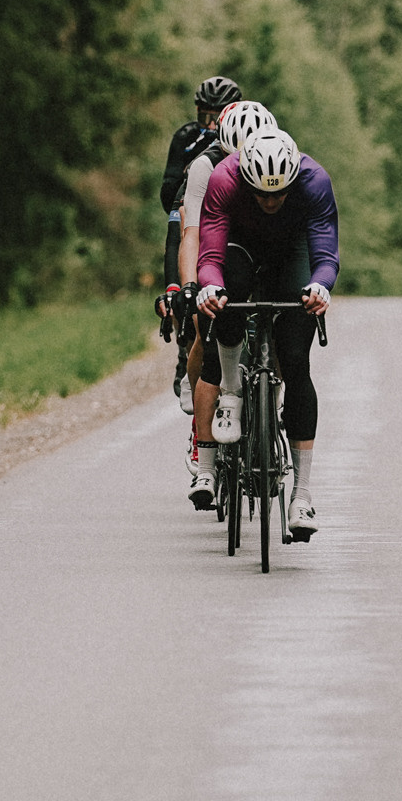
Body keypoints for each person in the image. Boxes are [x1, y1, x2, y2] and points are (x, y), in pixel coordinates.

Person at [196, 125, 336, 541]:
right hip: (239, 247)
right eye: (262, 194)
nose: (271, 202)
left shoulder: (314, 182)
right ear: (245, 180)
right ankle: (234, 393)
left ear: (294, 179)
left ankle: (302, 495)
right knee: (228, 296)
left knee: (296, 360)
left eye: (280, 193)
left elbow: (326, 253)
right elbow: (209, 254)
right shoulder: (224, 178)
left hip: (292, 251)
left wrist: (319, 286)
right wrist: (209, 286)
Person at [177, 98, 276, 509]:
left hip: (260, 249)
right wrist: (189, 287)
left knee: (274, 330)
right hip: (218, 245)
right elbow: (192, 234)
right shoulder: (205, 168)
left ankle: (271, 410)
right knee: (210, 326)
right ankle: (205, 453)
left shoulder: (276, 162)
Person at [157, 78, 240, 506]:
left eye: (217, 116)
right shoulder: (189, 143)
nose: (209, 123)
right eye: (203, 115)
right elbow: (168, 201)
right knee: (193, 305)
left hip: (230, 223)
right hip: (191, 213)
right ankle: (185, 353)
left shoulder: (249, 141)